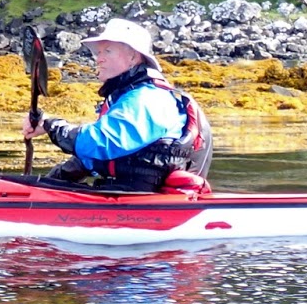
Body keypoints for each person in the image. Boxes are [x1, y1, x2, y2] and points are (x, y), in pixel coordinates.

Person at [23, 18, 213, 192]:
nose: (99, 58)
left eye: (108, 51)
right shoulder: (129, 96)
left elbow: (103, 142)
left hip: (139, 199)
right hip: (124, 192)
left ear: (133, 57)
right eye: (98, 52)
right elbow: (104, 156)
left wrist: (51, 126)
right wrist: (56, 178)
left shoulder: (149, 98)